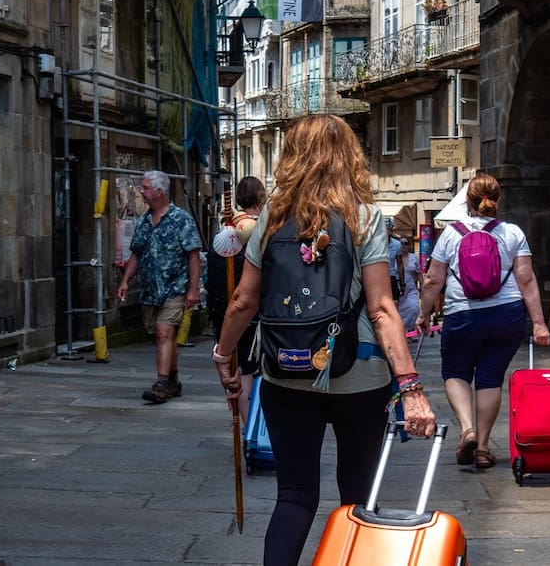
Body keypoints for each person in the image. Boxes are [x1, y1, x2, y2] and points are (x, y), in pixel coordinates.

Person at [210, 114, 436, 566]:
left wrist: (223, 354)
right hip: (360, 374)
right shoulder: (365, 218)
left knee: (294, 495)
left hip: (285, 371)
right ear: (349, 158)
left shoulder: (270, 218)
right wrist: (410, 387)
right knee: (357, 495)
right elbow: (382, 308)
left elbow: (243, 301)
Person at [416, 172, 550, 471]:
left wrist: (423, 314)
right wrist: (539, 323)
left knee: (456, 372)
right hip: (507, 314)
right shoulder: (512, 232)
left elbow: (433, 279)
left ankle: (468, 430)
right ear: (497, 200)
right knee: (490, 377)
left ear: (468, 201)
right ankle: (484, 448)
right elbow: (526, 280)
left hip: (462, 314)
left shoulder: (451, 234)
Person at [116, 170, 203, 404]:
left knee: (164, 332)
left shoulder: (181, 219)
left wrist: (193, 289)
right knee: (164, 336)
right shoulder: (144, 221)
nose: (141, 191)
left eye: (145, 188)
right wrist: (125, 281)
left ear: (159, 191)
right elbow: (137, 253)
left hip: (175, 287)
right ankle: (173, 380)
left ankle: (162, 383)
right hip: (151, 290)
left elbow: (194, 255)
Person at [205, 175, 266, 416]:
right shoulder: (262, 229)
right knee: (248, 373)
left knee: (234, 372)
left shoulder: (225, 230)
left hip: (224, 312)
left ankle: (246, 426)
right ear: (261, 197)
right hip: (253, 312)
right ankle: (251, 430)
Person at [397, 237, 421, 333]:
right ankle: (401, 332)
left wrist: (423, 287)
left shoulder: (414, 257)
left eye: (405, 243)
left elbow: (418, 273)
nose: (403, 245)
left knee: (414, 308)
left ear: (409, 245)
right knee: (398, 313)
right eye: (401, 243)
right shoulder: (394, 258)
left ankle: (407, 331)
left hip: (410, 290)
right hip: (397, 291)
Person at [388, 229, 403, 301]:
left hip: (392, 275)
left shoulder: (397, 244)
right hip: (378, 276)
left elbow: (400, 264)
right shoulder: (376, 243)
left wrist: (402, 283)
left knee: (395, 301)